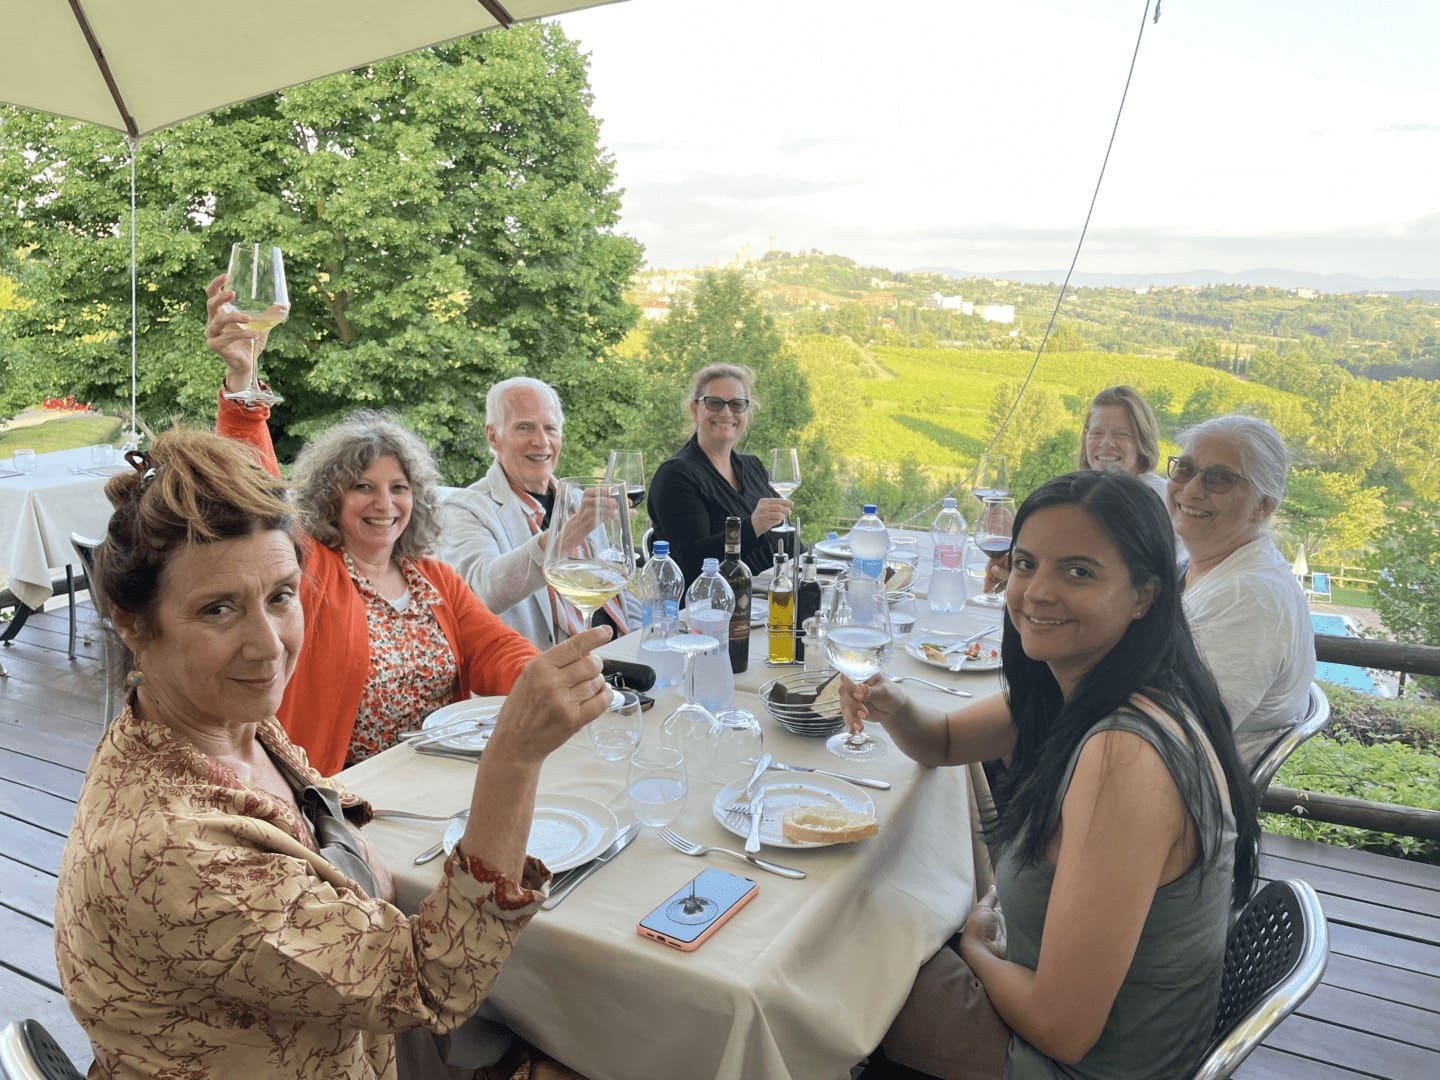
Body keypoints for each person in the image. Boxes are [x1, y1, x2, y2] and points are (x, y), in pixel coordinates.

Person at [54, 429, 613, 1078]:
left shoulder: (225, 723)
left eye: (281, 596)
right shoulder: (177, 851)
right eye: (218, 609)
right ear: (131, 622)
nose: (268, 648)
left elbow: (316, 814)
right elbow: (433, 983)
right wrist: (512, 760)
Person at [843, 470, 1259, 1080]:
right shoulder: (1087, 685)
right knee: (869, 921)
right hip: (1072, 1015)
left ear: (1144, 595)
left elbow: (1064, 1028)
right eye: (1026, 563)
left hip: (1069, 1063)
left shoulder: (1124, 754)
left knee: (827, 972)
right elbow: (945, 741)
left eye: (1079, 571)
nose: (1036, 592)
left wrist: (972, 949)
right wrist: (896, 706)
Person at [205, 276, 538, 774]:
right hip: (340, 796)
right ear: (331, 496)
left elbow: (496, 649)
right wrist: (242, 384)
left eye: (399, 488)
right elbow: (253, 494)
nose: (385, 503)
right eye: (363, 486)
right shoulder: (309, 569)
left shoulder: (433, 580)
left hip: (439, 779)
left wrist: (549, 677)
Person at [437, 376, 640, 648]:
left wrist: (641, 641)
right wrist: (569, 533)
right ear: (493, 436)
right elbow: (481, 593)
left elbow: (619, 592)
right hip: (551, 675)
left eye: (551, 428)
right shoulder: (465, 509)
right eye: (525, 428)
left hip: (620, 663)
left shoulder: (579, 501)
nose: (541, 441)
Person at [1167, 414, 1315, 770]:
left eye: (1219, 479)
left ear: (1263, 506)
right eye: (1185, 469)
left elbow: (1175, 732)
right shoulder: (1200, 564)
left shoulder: (1251, 598)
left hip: (1182, 798)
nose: (1190, 490)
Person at [647, 363, 794, 584]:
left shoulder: (753, 466)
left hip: (771, 597)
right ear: (695, 410)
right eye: (714, 403)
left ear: (747, 411)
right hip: (714, 609)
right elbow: (690, 560)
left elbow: (782, 540)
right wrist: (751, 527)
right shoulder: (676, 475)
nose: (726, 412)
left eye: (737, 404)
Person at [1077, 385, 1168, 499]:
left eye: (1120, 434)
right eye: (1097, 433)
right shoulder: (1071, 497)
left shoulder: (1162, 498)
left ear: (1143, 441)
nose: (1106, 443)